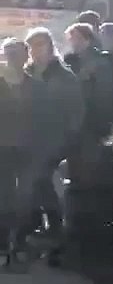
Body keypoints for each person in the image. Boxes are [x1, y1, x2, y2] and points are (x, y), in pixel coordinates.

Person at [17, 28, 83, 267]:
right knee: (33, 187)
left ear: (49, 46)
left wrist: (66, 141)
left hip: (53, 141)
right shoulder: (26, 73)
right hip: (27, 141)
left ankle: (55, 232)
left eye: (40, 45)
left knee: (42, 184)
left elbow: (75, 112)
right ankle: (39, 233)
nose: (36, 51)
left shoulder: (63, 76)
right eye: (32, 46)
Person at [0, 39, 28, 263]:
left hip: (26, 147)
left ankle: (18, 242)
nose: (11, 59)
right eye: (8, 54)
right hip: (5, 147)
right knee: (6, 195)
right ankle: (5, 244)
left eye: (16, 54)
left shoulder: (34, 83)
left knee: (23, 196)